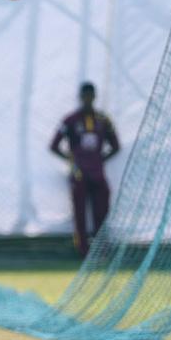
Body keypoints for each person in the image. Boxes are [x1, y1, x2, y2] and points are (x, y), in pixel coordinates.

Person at [50, 81, 120, 257]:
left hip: (97, 174)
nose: (88, 99)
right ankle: (83, 252)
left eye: (91, 96)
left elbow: (116, 146)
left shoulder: (103, 120)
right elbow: (54, 145)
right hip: (79, 174)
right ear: (80, 97)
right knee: (80, 215)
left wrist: (99, 160)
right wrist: (71, 159)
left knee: (101, 213)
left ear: (94, 97)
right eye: (85, 96)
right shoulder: (70, 120)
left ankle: (101, 251)